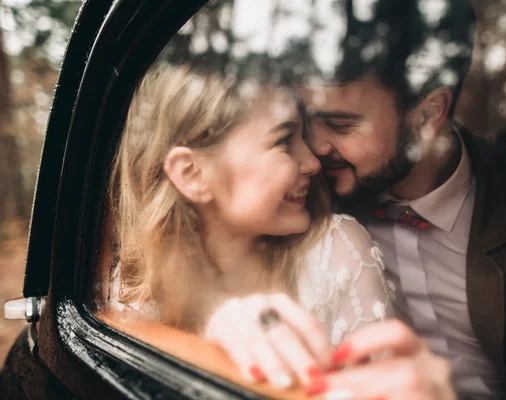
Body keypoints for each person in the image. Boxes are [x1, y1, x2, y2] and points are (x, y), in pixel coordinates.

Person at [298, 0, 506, 398]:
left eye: (340, 124)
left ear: (428, 115)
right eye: (308, 118)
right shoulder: (303, 194)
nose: (315, 146)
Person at [109, 63, 397, 395]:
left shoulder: (337, 251)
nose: (313, 162)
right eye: (285, 141)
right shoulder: (133, 289)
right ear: (191, 174)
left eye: (303, 136)